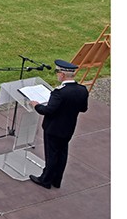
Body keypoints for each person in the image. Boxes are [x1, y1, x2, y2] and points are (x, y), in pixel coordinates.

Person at [29, 60, 89, 189]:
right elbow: (83, 108)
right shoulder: (82, 90)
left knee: (52, 155)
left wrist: (36, 105)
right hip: (68, 128)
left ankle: (45, 180)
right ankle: (56, 180)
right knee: (62, 154)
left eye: (57, 72)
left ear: (62, 74)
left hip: (53, 129)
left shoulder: (59, 92)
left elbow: (47, 111)